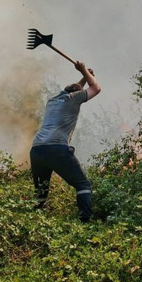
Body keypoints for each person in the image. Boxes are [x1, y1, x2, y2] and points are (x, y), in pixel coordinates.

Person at [30, 60, 101, 222]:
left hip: (37, 150)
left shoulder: (53, 101)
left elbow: (72, 89)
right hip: (56, 149)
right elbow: (96, 88)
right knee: (83, 185)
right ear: (76, 94)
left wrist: (84, 77)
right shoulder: (72, 99)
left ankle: (33, 221)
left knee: (41, 193)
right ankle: (85, 222)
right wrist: (83, 70)